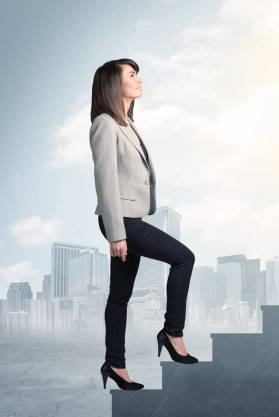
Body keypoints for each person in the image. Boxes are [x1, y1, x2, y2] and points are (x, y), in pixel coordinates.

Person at [89, 58, 198, 391]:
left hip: (130, 218)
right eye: (132, 75)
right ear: (113, 84)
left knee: (120, 297)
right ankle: (172, 333)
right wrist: (117, 234)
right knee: (184, 258)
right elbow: (105, 180)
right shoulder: (105, 124)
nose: (139, 80)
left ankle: (115, 365)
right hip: (121, 221)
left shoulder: (127, 123)